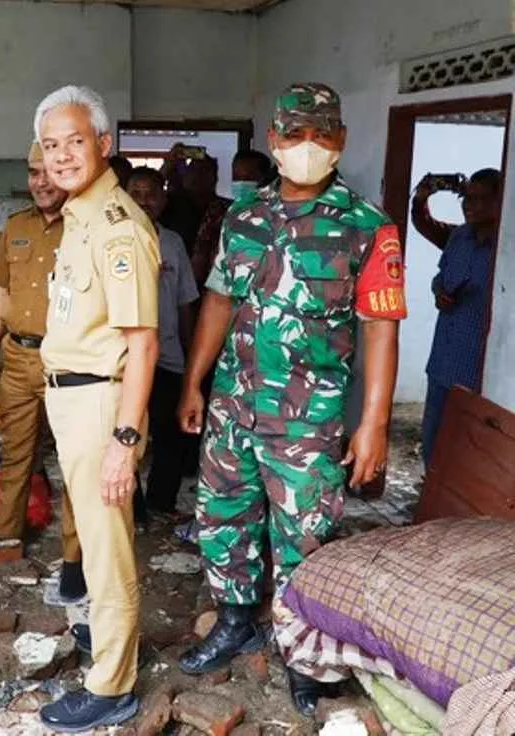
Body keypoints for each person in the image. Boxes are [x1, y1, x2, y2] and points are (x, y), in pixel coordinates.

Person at [177, 83, 407, 715]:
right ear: (274, 139)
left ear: (341, 141)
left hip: (307, 421)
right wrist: (196, 381)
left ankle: (305, 651)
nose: (309, 145)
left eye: (323, 133)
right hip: (233, 403)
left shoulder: (369, 227)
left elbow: (381, 327)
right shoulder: (243, 217)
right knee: (225, 518)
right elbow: (220, 300)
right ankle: (234, 618)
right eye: (296, 133)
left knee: (306, 536)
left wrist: (374, 425)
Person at [34, 85, 160, 732]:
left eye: (74, 141)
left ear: (104, 144)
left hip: (100, 403)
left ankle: (112, 684)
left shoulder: (118, 229)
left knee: (107, 546)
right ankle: (108, 643)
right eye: (50, 145)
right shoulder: (79, 214)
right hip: (71, 399)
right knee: (93, 534)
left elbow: (143, 342)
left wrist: (124, 438)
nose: (60, 156)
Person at [0, 142, 86, 604]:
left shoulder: (85, 227)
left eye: (49, 173)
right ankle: (6, 538)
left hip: (70, 359)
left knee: (75, 464)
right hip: (18, 358)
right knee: (15, 453)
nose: (40, 181)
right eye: (33, 171)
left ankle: (76, 561)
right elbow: (2, 291)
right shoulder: (16, 227)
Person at [126, 166, 198, 514]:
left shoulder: (172, 242)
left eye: (151, 193)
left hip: (168, 355)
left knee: (169, 435)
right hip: (123, 360)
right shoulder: (114, 239)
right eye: (135, 193)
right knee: (127, 434)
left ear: (164, 198)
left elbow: (185, 299)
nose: (144, 201)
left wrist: (189, 349)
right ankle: (132, 505)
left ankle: (161, 502)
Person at [420, 168, 502, 467]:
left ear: (500, 202)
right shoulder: (459, 237)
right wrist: (439, 291)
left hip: (477, 371)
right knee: (432, 443)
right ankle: (431, 503)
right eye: (468, 198)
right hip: (443, 360)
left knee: (468, 454)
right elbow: (440, 277)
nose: (471, 205)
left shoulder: (505, 249)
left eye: (481, 199)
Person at [183, 155, 232, 289]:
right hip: (176, 284)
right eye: (193, 171)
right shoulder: (170, 206)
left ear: (215, 178)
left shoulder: (228, 209)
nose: (197, 177)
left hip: (217, 284)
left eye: (204, 172)